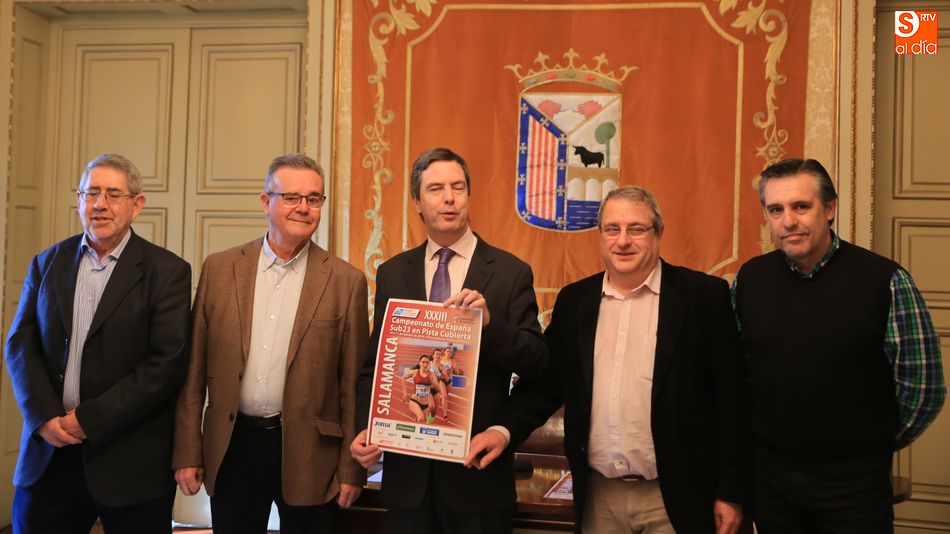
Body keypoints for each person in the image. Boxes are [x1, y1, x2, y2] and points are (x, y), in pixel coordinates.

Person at [492, 185, 751, 533]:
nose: (623, 241)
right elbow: (547, 386)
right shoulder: (575, 302)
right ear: (601, 235)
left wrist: (732, 493)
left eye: (636, 229)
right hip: (599, 499)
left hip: (677, 496)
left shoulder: (703, 298)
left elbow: (733, 401)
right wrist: (501, 430)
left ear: (658, 233)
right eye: (612, 229)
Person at [733, 158, 945, 533]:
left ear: (829, 208)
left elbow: (924, 389)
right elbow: (736, 375)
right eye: (776, 209)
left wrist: (871, 443)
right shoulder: (750, 280)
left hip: (855, 490)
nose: (788, 221)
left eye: (801, 206)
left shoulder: (886, 280)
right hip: (773, 486)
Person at [350, 147, 548, 534]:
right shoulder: (393, 273)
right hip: (408, 483)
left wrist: (489, 325)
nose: (449, 198)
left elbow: (538, 362)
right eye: (436, 189)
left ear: (469, 195)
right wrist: (365, 428)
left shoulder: (509, 273)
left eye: (458, 187)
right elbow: (374, 368)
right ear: (417, 202)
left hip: (477, 480)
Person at [173, 153, 369, 533]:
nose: (303, 207)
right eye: (291, 197)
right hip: (233, 446)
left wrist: (351, 469)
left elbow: (351, 387)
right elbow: (193, 372)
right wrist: (187, 450)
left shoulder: (346, 282)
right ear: (266, 202)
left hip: (313, 454)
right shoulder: (219, 269)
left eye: (314, 198)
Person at [5, 153, 192, 534]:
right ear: (79, 200)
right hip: (50, 455)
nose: (100, 204)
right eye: (90, 193)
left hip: (130, 464)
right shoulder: (46, 263)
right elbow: (20, 345)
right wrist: (43, 418)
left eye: (113, 194)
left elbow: (165, 365)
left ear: (136, 205)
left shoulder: (167, 272)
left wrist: (87, 421)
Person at [403, 354, 438, 423]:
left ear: (429, 364)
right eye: (423, 362)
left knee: (423, 420)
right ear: (420, 363)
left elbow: (436, 386)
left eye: (427, 362)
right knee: (421, 417)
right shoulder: (416, 371)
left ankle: (428, 420)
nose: (425, 364)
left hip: (426, 400)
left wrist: (433, 381)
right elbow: (403, 378)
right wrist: (405, 392)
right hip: (416, 399)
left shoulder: (432, 372)